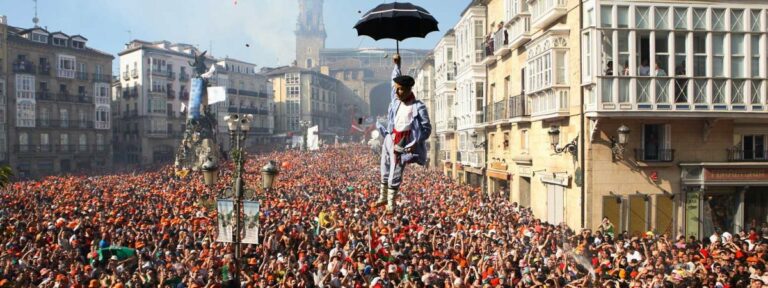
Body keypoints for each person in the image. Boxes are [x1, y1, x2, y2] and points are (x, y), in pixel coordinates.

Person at [376, 53, 432, 213]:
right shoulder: (395, 101)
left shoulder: (418, 106)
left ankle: (391, 203)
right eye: (397, 90)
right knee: (385, 166)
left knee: (396, 170)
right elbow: (393, 82)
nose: (397, 92)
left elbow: (426, 129)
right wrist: (397, 66)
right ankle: (383, 196)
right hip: (391, 136)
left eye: (400, 90)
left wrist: (413, 144)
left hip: (404, 141)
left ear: (408, 90)